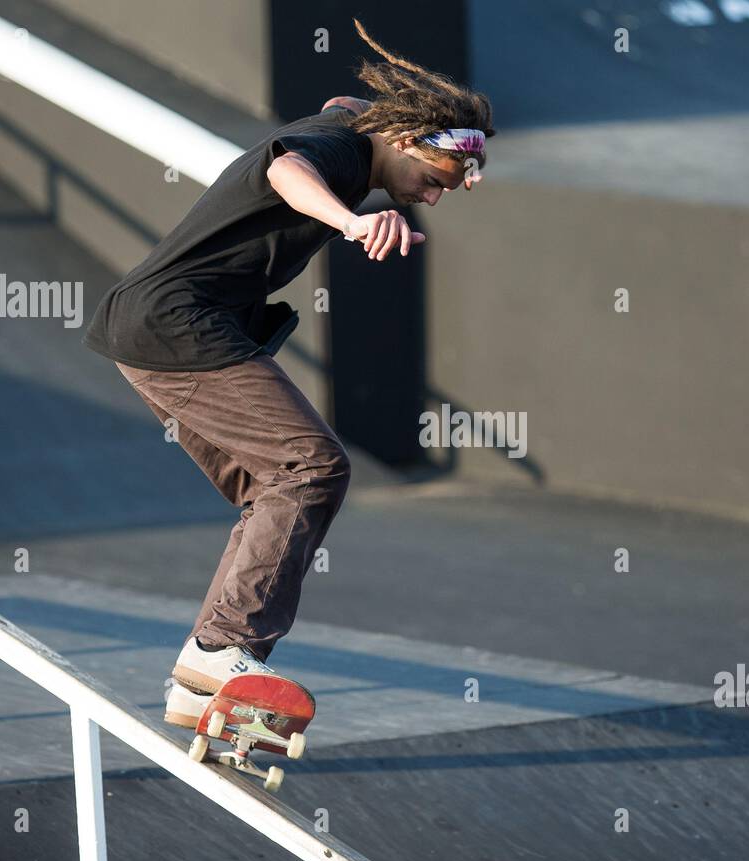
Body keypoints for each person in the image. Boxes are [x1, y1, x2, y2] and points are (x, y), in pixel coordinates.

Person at [81, 21, 493, 725]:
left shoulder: (349, 128)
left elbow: (341, 103)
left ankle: (201, 680)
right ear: (399, 142)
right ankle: (223, 649)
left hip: (149, 329)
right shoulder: (333, 153)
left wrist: (375, 137)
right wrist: (351, 223)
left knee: (272, 491)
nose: (430, 198)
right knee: (311, 465)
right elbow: (285, 170)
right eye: (430, 181)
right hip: (178, 324)